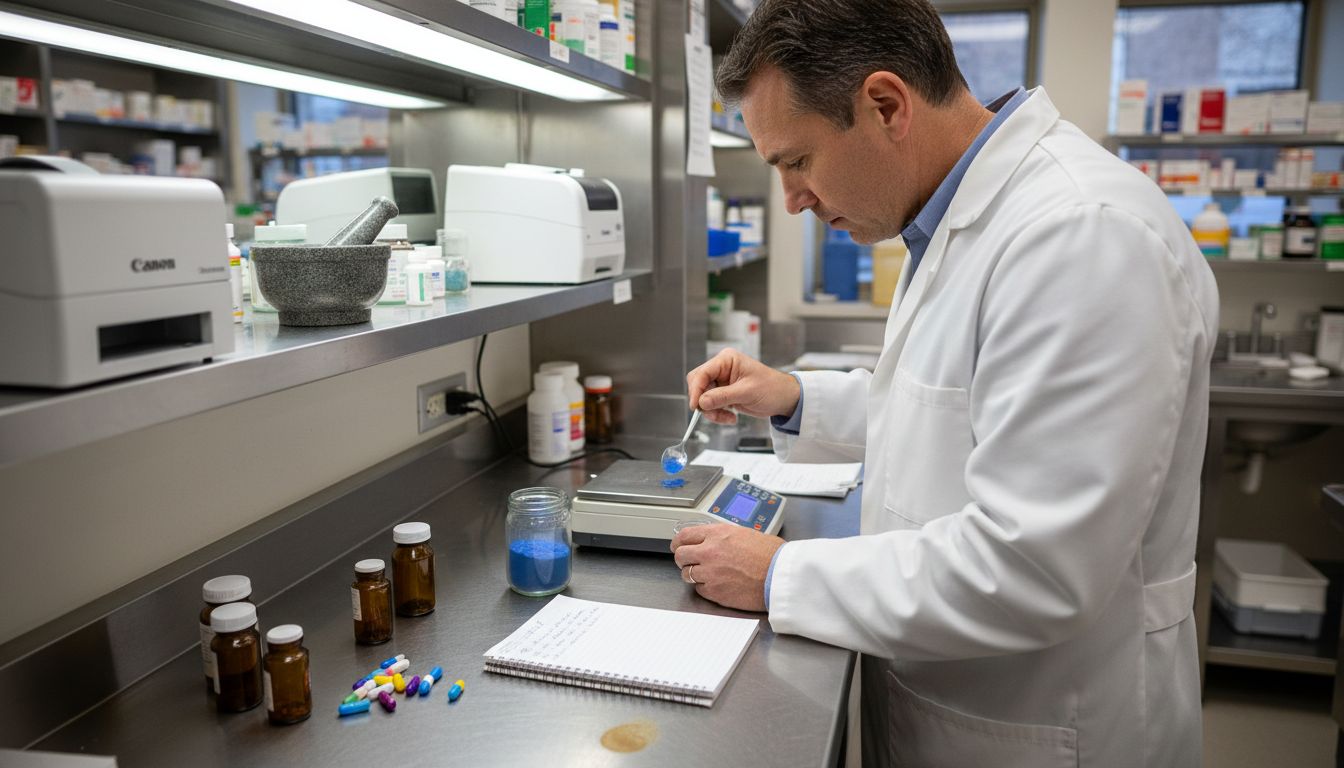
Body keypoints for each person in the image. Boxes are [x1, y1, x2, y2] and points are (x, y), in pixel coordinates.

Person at [669, 1, 1218, 766]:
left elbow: (1035, 566)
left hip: (1049, 729)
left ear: (886, 105)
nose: (793, 199)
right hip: (951, 698)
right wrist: (796, 397)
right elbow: (955, 410)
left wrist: (780, 574)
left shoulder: (1083, 234)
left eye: (797, 162)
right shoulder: (949, 216)